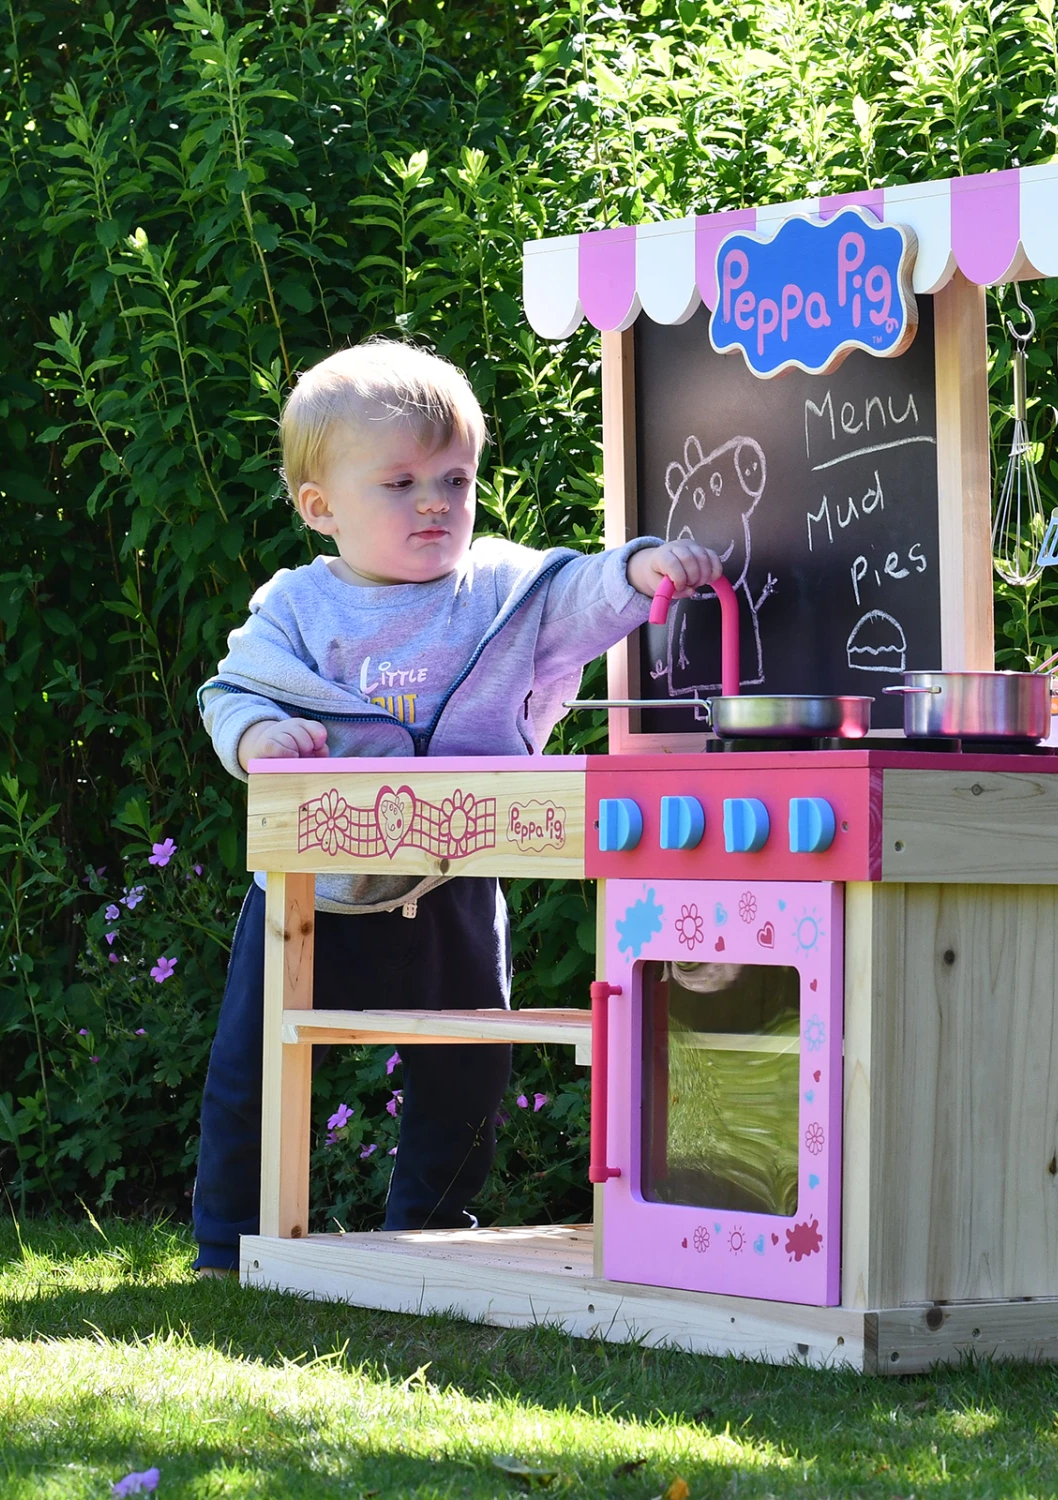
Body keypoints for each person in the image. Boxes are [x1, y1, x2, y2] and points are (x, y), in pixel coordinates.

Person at [192, 339, 720, 1274]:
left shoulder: (497, 593)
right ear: (321, 508)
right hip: (320, 886)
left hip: (454, 881)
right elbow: (231, 691)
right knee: (255, 1065)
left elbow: (576, 592)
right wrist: (258, 735)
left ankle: (429, 1229)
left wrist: (637, 573)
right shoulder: (300, 609)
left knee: (469, 1065)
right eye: (400, 484)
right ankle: (228, 1243)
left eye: (455, 479)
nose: (435, 502)